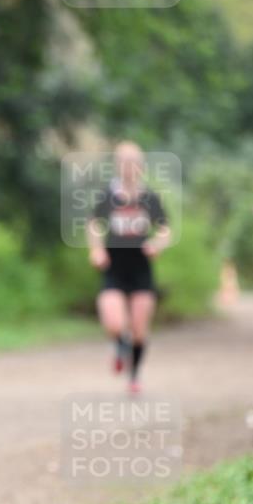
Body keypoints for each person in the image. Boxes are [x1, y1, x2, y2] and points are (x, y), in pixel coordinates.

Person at [87, 142, 171, 393]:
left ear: (141, 166)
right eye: (124, 162)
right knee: (114, 323)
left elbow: (165, 229)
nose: (129, 167)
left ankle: (134, 376)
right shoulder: (108, 195)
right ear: (117, 165)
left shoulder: (150, 198)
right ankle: (120, 347)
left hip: (141, 268)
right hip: (114, 266)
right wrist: (96, 249)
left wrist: (157, 244)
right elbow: (94, 224)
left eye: (133, 162)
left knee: (139, 330)